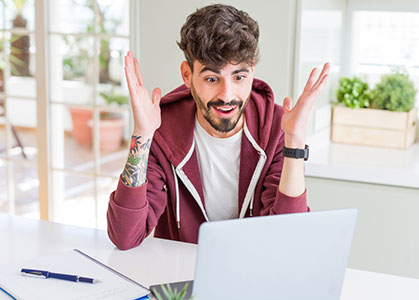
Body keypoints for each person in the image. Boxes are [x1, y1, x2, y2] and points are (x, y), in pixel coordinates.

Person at [107, 4, 329, 250]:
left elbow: (289, 240)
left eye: (239, 77)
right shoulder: (162, 128)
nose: (227, 95)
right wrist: (142, 136)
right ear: (187, 75)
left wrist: (295, 142)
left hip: (253, 275)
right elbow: (125, 237)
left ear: (252, 72)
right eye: (212, 79)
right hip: (182, 279)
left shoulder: (277, 127)